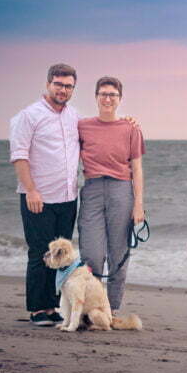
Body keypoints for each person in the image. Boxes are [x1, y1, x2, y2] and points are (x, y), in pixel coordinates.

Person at [10, 63, 80, 326]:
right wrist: (31, 190)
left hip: (67, 197)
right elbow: (19, 156)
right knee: (40, 251)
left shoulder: (74, 116)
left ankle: (53, 306)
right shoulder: (28, 116)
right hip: (38, 196)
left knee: (61, 253)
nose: (63, 90)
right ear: (48, 83)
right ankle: (38, 309)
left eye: (68, 86)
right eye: (59, 84)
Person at [77, 76, 145, 315]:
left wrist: (139, 205)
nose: (108, 98)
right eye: (103, 94)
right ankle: (92, 306)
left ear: (120, 99)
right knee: (92, 254)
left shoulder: (131, 128)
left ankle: (112, 308)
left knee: (119, 254)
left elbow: (137, 169)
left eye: (112, 95)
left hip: (121, 190)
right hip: (92, 189)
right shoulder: (82, 126)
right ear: (96, 97)